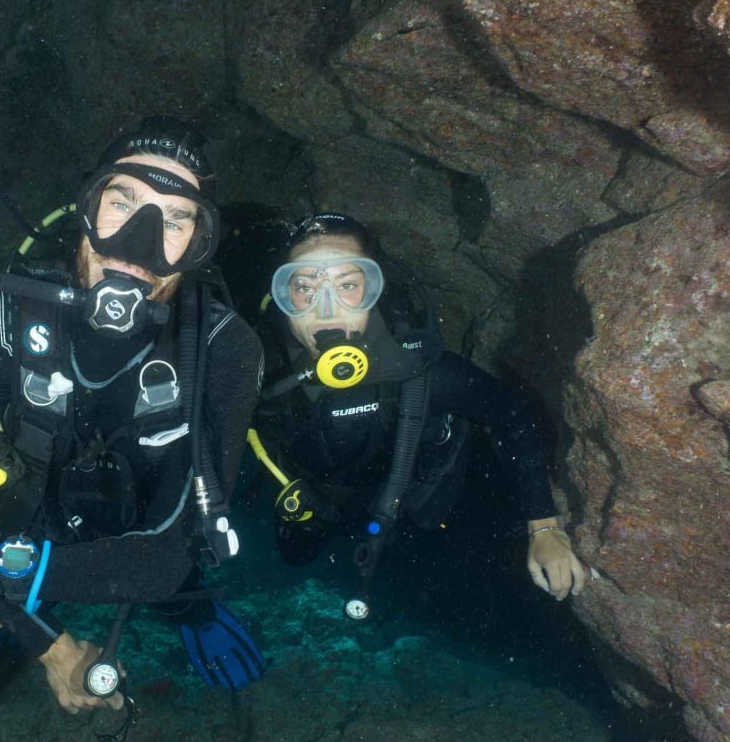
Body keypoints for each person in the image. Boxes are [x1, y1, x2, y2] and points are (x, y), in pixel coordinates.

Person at [0, 117, 266, 713]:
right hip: (31, 519)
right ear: (85, 206)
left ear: (200, 245)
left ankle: (194, 613)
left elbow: (162, 560)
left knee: (182, 583)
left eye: (177, 219)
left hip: (136, 539)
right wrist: (49, 643)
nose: (139, 240)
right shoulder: (4, 314)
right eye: (123, 200)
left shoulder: (224, 350)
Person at [246, 213, 588, 614]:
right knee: (294, 557)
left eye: (348, 285)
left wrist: (543, 525)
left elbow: (506, 410)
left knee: (453, 589)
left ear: (375, 290)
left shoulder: (420, 368)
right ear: (283, 297)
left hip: (422, 502)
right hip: (318, 499)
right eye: (304, 287)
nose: (326, 310)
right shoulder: (259, 367)